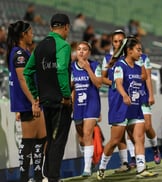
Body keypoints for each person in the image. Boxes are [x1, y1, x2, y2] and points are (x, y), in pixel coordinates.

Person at [97, 38, 158, 180]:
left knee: (139, 138)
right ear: (129, 51)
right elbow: (118, 83)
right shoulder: (119, 66)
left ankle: (141, 169)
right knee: (114, 141)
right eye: (138, 49)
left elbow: (144, 76)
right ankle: (102, 167)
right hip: (121, 107)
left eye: (141, 50)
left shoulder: (137, 67)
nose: (140, 52)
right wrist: (124, 95)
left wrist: (141, 62)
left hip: (135, 107)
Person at [23, 13, 72, 182]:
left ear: (51, 27)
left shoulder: (40, 47)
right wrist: (66, 96)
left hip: (46, 101)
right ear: (66, 27)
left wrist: (36, 95)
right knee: (58, 142)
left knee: (50, 140)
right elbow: (60, 70)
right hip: (60, 102)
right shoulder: (63, 46)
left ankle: (48, 176)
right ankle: (53, 178)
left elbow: (27, 72)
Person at [6, 20, 46, 182]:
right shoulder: (19, 54)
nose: (32, 34)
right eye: (30, 32)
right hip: (27, 103)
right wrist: (33, 102)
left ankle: (37, 176)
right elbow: (23, 80)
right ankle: (25, 178)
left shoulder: (24, 52)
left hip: (31, 101)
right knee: (29, 141)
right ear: (23, 35)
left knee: (41, 138)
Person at [101, 29, 131, 173]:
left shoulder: (131, 56)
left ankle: (139, 162)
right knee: (119, 135)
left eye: (121, 41)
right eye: (115, 41)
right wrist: (115, 83)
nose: (118, 43)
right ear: (112, 42)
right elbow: (102, 78)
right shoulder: (108, 58)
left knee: (134, 131)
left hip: (132, 99)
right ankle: (125, 163)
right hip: (116, 99)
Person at [71, 41, 102, 177]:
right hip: (78, 105)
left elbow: (99, 84)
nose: (81, 51)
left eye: (84, 49)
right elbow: (71, 87)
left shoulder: (95, 65)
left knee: (87, 133)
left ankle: (87, 168)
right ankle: (90, 160)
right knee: (82, 138)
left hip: (92, 104)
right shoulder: (71, 67)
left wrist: (88, 69)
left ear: (89, 52)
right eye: (79, 49)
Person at [127, 52, 161, 167]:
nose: (139, 51)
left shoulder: (144, 58)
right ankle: (134, 156)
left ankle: (155, 147)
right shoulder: (122, 60)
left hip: (142, 95)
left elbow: (148, 77)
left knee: (147, 126)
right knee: (130, 128)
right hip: (130, 96)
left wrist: (151, 94)